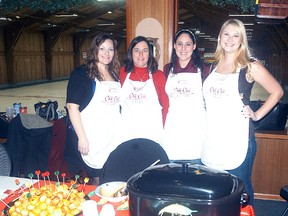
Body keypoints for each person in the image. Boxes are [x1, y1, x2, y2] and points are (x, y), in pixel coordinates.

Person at [201, 19, 283, 205]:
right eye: (226, 34)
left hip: (238, 140)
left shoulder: (250, 67)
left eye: (235, 35)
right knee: (217, 191)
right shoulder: (213, 66)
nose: (230, 39)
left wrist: (256, 115)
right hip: (213, 140)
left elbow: (277, 91)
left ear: (241, 40)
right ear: (220, 37)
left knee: (241, 191)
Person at [64, 33, 121, 185]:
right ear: (94, 50)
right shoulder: (81, 74)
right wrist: (82, 138)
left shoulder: (115, 73)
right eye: (102, 48)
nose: (106, 53)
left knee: (111, 176)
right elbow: (72, 107)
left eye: (110, 49)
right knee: (97, 179)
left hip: (111, 137)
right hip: (92, 137)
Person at [162, 29, 209, 163]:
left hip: (196, 132)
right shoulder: (167, 70)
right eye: (180, 44)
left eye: (188, 44)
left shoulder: (205, 69)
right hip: (173, 132)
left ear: (194, 46)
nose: (183, 48)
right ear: (174, 46)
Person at [119, 36, 169, 144]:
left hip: (152, 137)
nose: (141, 55)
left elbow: (166, 107)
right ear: (131, 53)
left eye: (145, 50)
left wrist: (164, 131)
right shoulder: (122, 73)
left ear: (150, 54)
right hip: (127, 136)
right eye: (137, 50)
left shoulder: (159, 76)